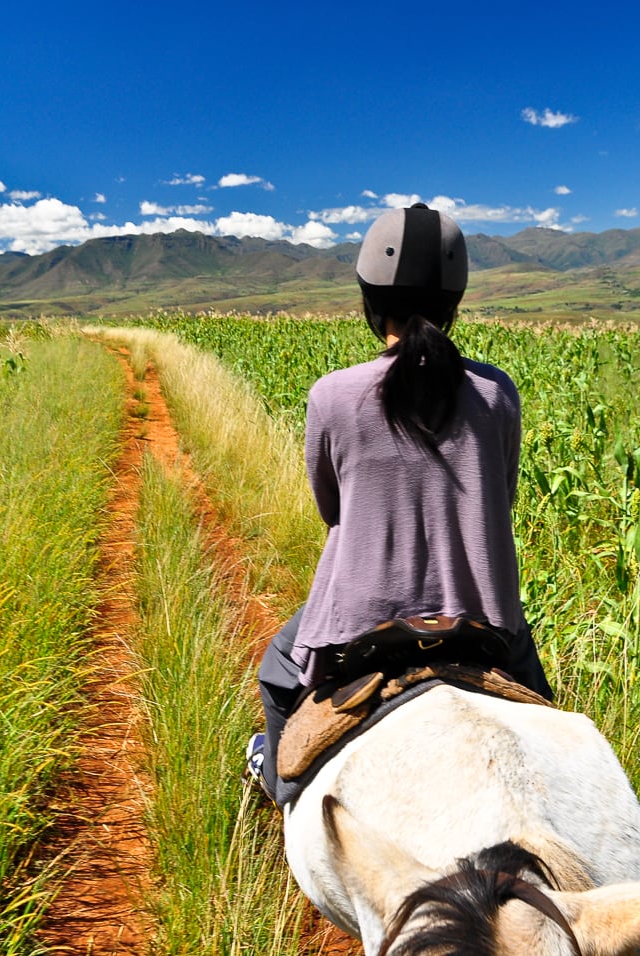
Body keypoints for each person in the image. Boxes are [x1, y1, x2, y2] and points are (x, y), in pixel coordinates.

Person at [247, 203, 552, 801]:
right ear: (454, 303)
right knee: (555, 722)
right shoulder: (497, 393)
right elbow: (503, 497)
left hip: (359, 621)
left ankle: (285, 793)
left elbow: (331, 509)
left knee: (278, 672)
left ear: (370, 301)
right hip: (481, 617)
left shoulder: (332, 395)